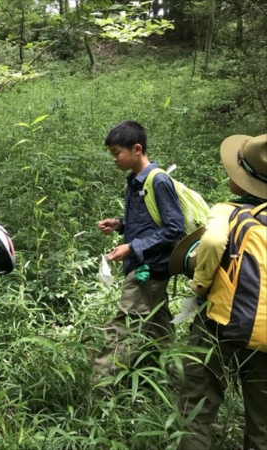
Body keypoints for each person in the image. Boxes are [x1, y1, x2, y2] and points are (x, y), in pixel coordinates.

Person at [171, 133, 267, 450]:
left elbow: (212, 243)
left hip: (221, 325)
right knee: (262, 422)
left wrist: (199, 282)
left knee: (197, 405)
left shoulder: (228, 210)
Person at [94, 120, 185, 378]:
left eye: (116, 153)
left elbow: (174, 228)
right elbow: (149, 222)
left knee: (123, 326)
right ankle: (172, 375)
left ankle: (101, 386)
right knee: (158, 324)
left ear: (136, 149)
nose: (114, 159)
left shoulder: (157, 181)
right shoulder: (135, 180)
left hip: (148, 267)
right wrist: (121, 225)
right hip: (148, 264)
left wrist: (132, 248)